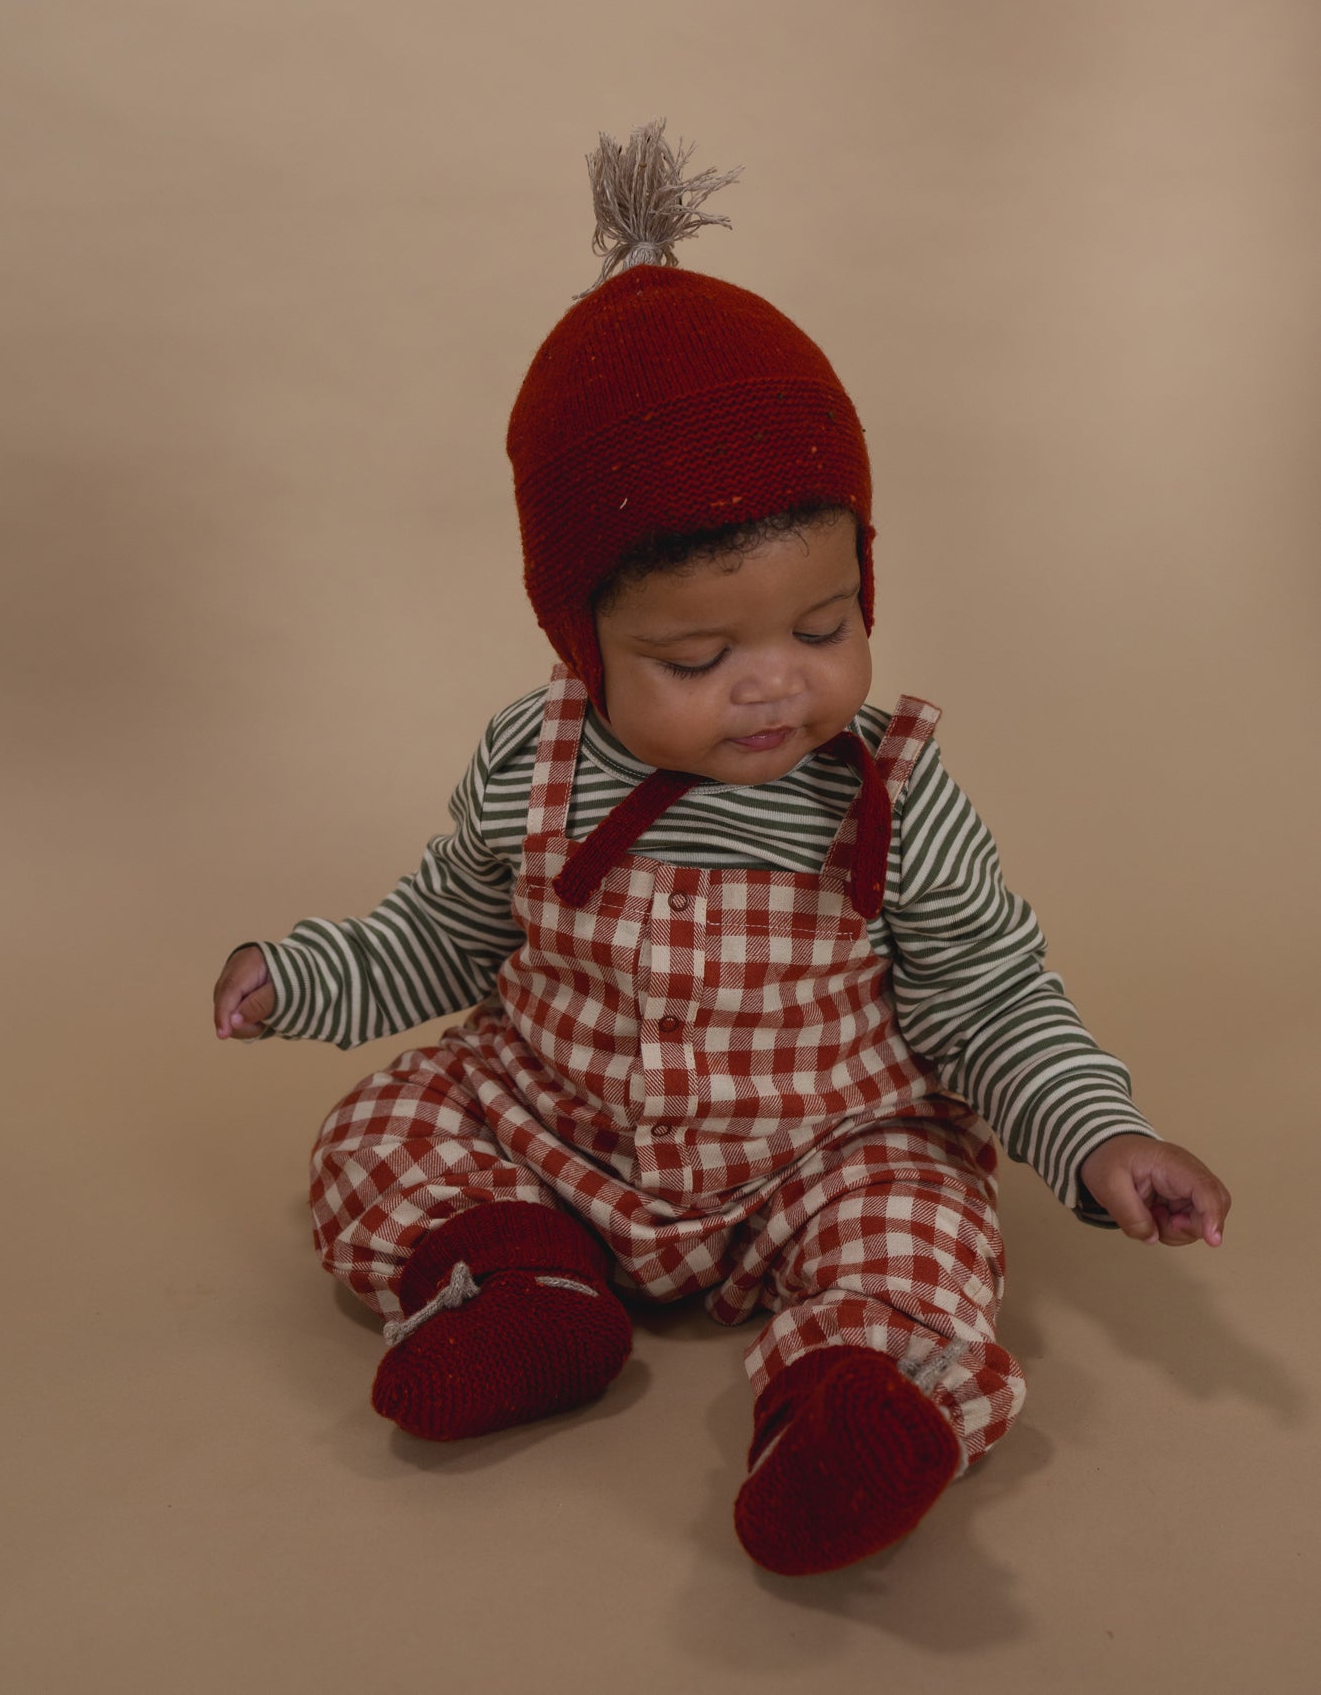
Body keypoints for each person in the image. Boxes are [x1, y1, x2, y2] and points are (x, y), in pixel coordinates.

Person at [212, 122, 1230, 1577]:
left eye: (822, 629)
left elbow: (988, 997)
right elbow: (443, 930)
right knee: (377, 1133)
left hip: (813, 1157)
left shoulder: (888, 792)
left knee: (921, 1216)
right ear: (583, 637)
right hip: (554, 1138)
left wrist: (1098, 1134)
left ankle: (852, 1399)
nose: (774, 684)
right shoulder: (534, 758)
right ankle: (519, 1283)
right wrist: (301, 973)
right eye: (696, 653)